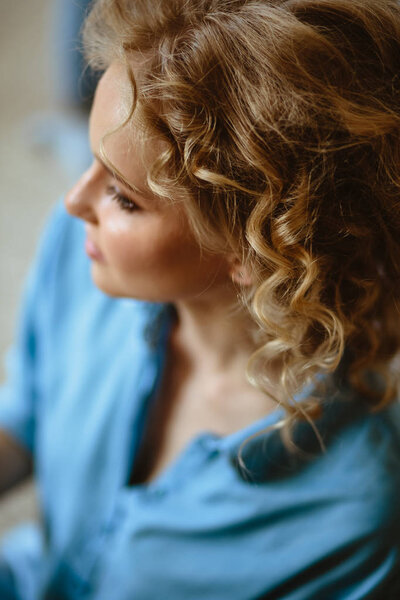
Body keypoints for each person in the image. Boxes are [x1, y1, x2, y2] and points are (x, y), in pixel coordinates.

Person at [1, 0, 400, 597]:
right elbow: (26, 415)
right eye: (92, 162)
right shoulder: (84, 255)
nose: (74, 204)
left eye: (123, 198)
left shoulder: (350, 513)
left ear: (254, 253)